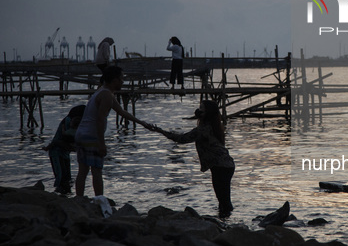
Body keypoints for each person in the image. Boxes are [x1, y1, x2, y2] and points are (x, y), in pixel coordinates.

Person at [75, 66, 153, 197]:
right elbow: (100, 119)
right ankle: (100, 201)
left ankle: (79, 200)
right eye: (121, 79)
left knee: (83, 171)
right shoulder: (106, 95)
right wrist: (101, 143)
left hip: (81, 134)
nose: (123, 82)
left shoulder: (104, 91)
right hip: (91, 136)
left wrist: (142, 123)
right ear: (114, 80)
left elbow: (121, 112)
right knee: (97, 171)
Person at [151, 100, 235, 217]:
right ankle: (225, 221)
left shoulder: (202, 130)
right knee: (223, 198)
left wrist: (160, 131)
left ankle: (226, 223)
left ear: (206, 113)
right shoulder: (214, 126)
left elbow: (181, 139)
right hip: (226, 165)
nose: (198, 111)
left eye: (201, 109)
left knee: (223, 199)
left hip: (221, 166)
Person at [43, 105, 86, 194]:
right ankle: (58, 193)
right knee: (60, 176)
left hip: (65, 152)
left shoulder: (73, 122)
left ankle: (64, 193)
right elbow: (60, 141)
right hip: (56, 152)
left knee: (67, 177)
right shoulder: (68, 121)